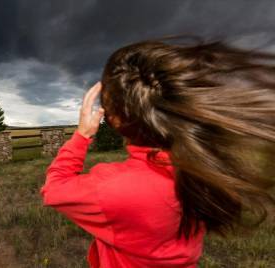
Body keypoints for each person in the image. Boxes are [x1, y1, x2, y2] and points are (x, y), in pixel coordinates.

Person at [39, 37, 275, 267]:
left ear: (116, 120)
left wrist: (82, 135)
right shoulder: (203, 168)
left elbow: (54, 190)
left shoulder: (113, 189)